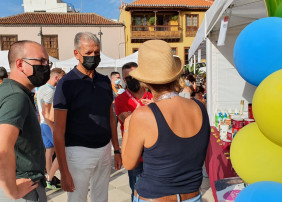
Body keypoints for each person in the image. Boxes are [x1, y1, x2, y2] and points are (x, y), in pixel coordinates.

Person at [121, 40, 210, 202]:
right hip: (192, 196)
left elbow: (128, 163)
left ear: (145, 81)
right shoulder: (199, 107)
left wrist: (127, 125)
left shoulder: (144, 115)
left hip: (154, 196)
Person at [53, 32, 122, 202]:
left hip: (105, 149)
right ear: (77, 54)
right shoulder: (66, 83)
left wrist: (117, 150)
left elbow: (110, 118)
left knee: (101, 197)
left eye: (96, 52)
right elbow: (58, 130)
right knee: (77, 198)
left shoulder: (105, 81)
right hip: (78, 152)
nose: (93, 56)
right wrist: (63, 170)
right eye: (88, 53)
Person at [0, 40, 51, 201]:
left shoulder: (7, 91)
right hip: (23, 187)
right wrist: (12, 190)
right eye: (41, 61)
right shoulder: (16, 97)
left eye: (47, 62)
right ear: (20, 64)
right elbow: (2, 147)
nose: (45, 66)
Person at [115, 62, 153, 201]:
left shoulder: (153, 95)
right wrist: (151, 111)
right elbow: (127, 121)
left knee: (157, 192)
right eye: (128, 78)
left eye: (135, 76)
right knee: (137, 192)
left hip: (155, 152)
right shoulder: (120, 100)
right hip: (135, 154)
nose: (132, 79)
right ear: (124, 80)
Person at [37, 68, 65, 190]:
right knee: (61, 152)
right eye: (62, 78)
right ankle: (49, 178)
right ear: (56, 77)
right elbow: (45, 112)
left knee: (49, 152)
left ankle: (50, 178)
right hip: (49, 124)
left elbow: (41, 112)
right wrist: (53, 128)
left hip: (43, 125)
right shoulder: (50, 91)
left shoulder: (42, 88)